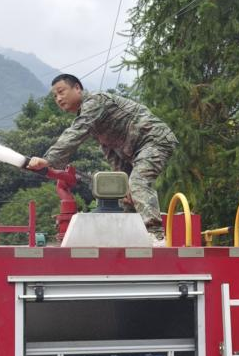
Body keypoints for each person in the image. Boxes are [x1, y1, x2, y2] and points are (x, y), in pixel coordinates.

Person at [25, 74, 177, 241]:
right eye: (55, 96)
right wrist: (123, 182)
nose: (58, 98)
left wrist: (48, 160)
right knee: (127, 197)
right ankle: (132, 239)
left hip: (155, 140)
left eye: (61, 92)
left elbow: (76, 131)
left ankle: (156, 235)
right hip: (137, 150)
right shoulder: (94, 121)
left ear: (77, 88)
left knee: (138, 183)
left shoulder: (95, 102)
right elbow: (112, 152)